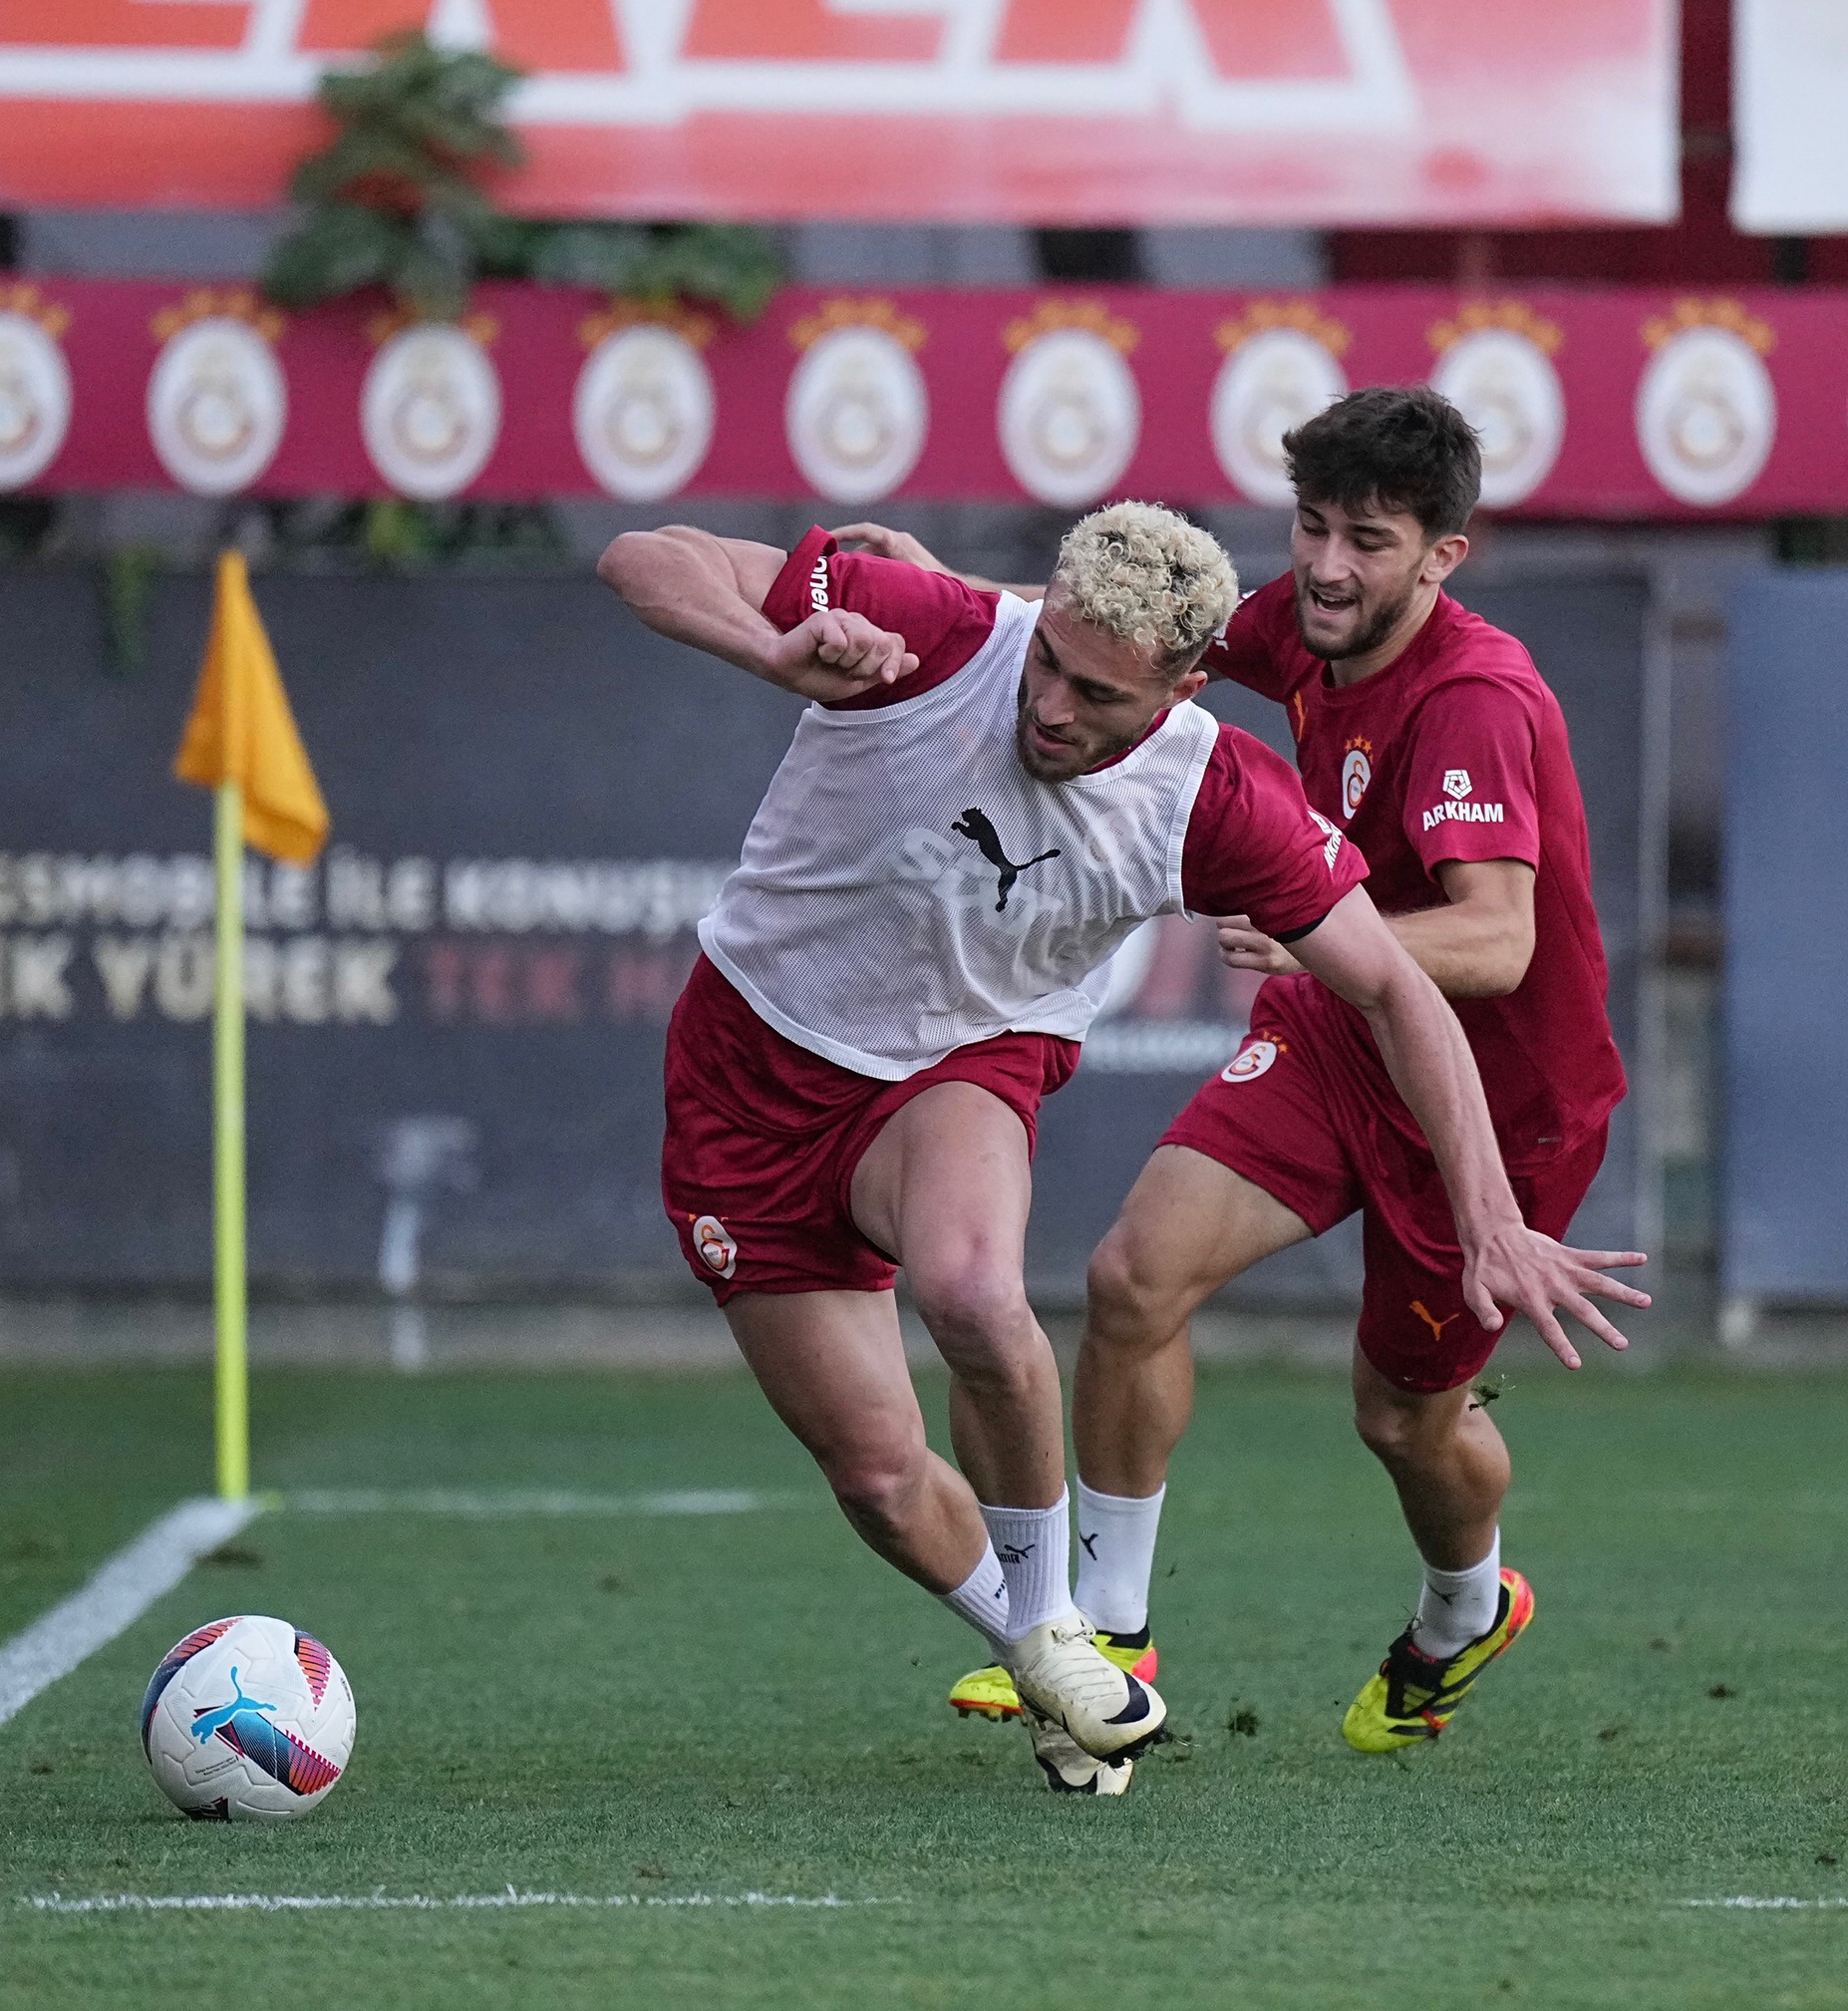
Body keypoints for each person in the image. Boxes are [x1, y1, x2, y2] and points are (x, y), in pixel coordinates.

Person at [598, 496, 1644, 1797]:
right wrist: (769, 653)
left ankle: (1096, 1630)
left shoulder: (1210, 795)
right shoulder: (935, 635)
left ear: (1182, 688)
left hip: (961, 1066)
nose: (1049, 710)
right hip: (746, 1078)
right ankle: (1044, 1649)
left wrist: (1489, 1214)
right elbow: (646, 558)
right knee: (873, 1474)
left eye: (1097, 696)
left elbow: (1396, 985)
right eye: (1048, 665)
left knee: (978, 1291)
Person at [895, 387, 1647, 1768]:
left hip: (1496, 1100)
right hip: (1334, 1031)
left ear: (1441, 557)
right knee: (1133, 1279)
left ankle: (1463, 1608)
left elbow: (1493, 937)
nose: (1325, 566)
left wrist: (1320, 933)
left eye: (1368, 538)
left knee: (1402, 1419)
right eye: (1310, 527)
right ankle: (1106, 1634)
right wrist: (934, 599)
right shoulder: (1300, 624)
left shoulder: (1472, 697)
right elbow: (1108, 633)